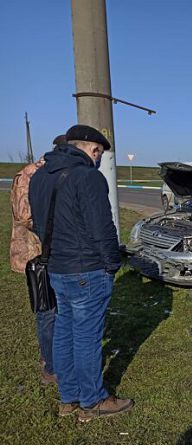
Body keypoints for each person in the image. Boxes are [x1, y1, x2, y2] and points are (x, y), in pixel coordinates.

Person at [29, 124, 133, 421]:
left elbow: (38, 223)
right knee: (87, 337)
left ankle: (68, 397)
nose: (99, 159)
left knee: (64, 331)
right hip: (87, 268)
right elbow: (103, 228)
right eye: (99, 153)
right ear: (93, 149)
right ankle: (93, 400)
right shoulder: (88, 177)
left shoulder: (40, 176)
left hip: (58, 267)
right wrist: (112, 264)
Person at [10, 134, 66, 385]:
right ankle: (49, 365)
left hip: (51, 250)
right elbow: (24, 216)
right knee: (46, 309)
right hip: (36, 252)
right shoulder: (30, 175)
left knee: (55, 308)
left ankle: (53, 356)